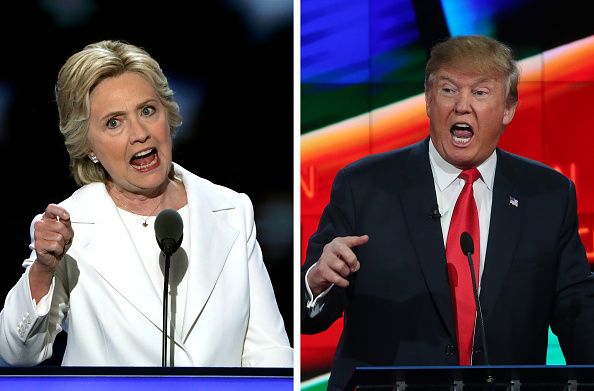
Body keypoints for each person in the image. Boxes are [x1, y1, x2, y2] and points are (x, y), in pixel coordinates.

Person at [301, 35, 594, 389]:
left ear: (508, 109)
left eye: (480, 93)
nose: (462, 106)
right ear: (427, 100)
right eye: (449, 90)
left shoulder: (548, 195)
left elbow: (578, 310)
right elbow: (309, 316)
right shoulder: (363, 186)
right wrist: (317, 281)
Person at [0, 40, 293, 367]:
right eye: (114, 122)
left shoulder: (232, 211)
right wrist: (43, 271)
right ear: (88, 145)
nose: (139, 133)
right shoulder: (70, 226)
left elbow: (270, 352)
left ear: (168, 115)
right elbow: (17, 353)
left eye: (147, 111)